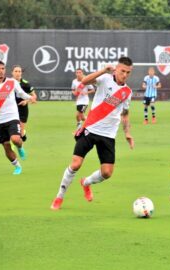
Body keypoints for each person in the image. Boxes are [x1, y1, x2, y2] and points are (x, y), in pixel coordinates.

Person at [51, 56, 135, 210]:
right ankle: (59, 197)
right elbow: (84, 81)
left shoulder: (127, 92)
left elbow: (125, 113)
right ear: (116, 68)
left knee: (107, 173)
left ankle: (86, 182)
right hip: (91, 129)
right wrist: (103, 69)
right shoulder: (104, 78)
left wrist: (127, 133)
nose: (124, 74)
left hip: (109, 135)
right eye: (122, 71)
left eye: (128, 72)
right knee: (76, 164)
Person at [0, 60, 36, 174]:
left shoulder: (12, 82)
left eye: (2, 68)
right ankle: (17, 166)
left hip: (12, 117)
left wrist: (30, 98)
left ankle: (20, 147)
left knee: (16, 139)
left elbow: (20, 93)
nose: (1, 71)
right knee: (6, 146)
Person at [11, 65, 37, 141]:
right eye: (15, 71)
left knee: (21, 132)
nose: (17, 73)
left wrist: (26, 101)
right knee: (14, 131)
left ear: (21, 73)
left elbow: (34, 96)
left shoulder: (25, 83)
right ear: (12, 72)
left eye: (19, 71)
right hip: (11, 109)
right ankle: (14, 145)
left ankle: (22, 136)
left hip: (23, 109)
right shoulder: (8, 83)